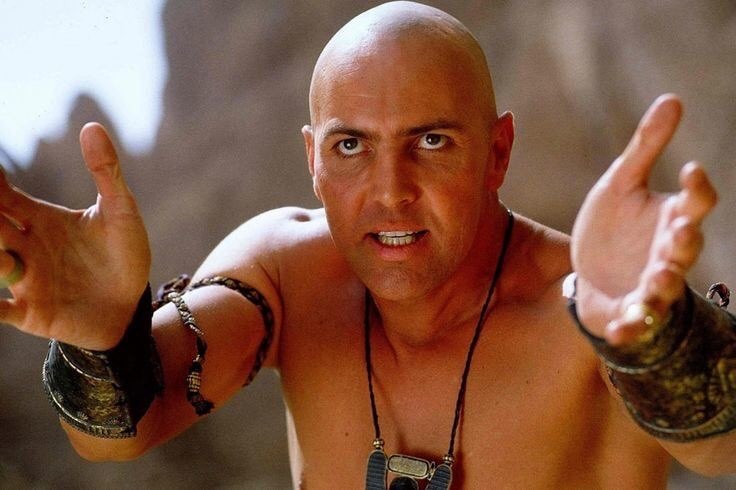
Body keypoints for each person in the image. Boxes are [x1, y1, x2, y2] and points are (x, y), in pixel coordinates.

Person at [1, 1, 733, 488]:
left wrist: (657, 341)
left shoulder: (589, 303)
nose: (391, 192)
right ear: (313, 159)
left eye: (432, 141)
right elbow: (124, 433)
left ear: (497, 152)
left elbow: (724, 445)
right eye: (351, 146)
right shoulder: (286, 271)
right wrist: (100, 338)